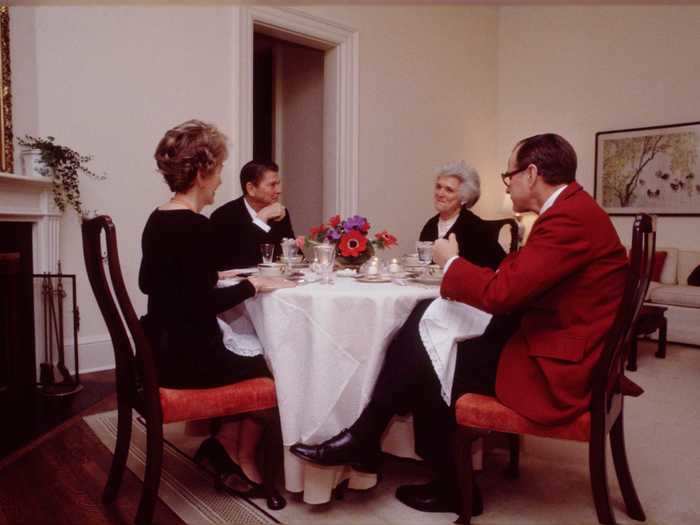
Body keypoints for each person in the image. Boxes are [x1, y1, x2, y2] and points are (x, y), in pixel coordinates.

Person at [290, 133, 628, 514]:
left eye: (509, 175)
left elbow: (503, 293)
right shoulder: (570, 210)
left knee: (432, 358)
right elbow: (517, 274)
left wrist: (452, 262)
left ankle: (414, 465)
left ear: (531, 174)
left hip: (558, 365)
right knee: (426, 327)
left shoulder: (567, 218)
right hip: (553, 336)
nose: (508, 183)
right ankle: (374, 441)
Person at [139, 120, 293, 503]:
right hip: (187, 359)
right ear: (203, 172)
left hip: (160, 346)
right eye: (220, 170)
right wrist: (252, 284)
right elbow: (201, 303)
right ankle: (241, 459)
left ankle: (221, 448)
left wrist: (215, 274)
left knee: (248, 348)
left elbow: (151, 282)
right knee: (270, 367)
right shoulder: (196, 227)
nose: (221, 181)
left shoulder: (158, 219)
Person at [419, 161, 504, 270]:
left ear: (464, 198)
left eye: (449, 190)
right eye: (438, 187)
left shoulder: (478, 229)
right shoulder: (430, 225)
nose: (440, 194)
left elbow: (495, 270)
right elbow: (422, 267)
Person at [210, 161, 295, 269]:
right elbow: (236, 262)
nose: (279, 190)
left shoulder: (281, 212)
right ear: (251, 189)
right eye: (272, 185)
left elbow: (291, 255)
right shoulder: (223, 217)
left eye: (278, 183)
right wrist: (261, 220)